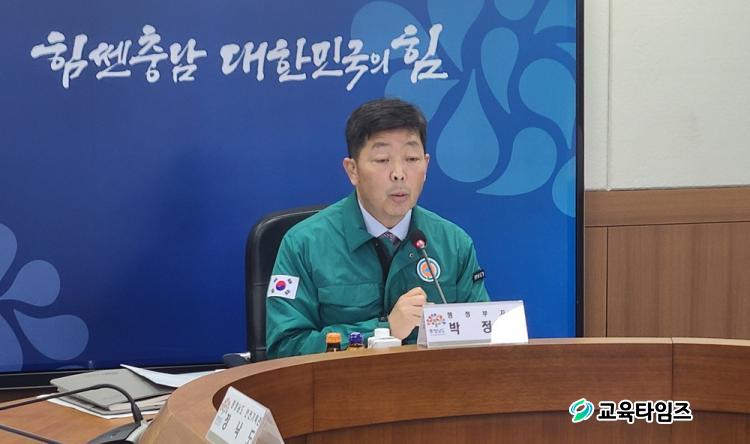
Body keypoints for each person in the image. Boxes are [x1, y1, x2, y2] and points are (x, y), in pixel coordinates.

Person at [266, 98, 489, 358]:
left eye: (411, 158)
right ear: (352, 170)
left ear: (426, 165)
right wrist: (384, 330)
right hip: (340, 384)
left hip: (431, 383)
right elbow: (285, 348)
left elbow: (482, 340)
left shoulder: (454, 244)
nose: (399, 173)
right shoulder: (303, 244)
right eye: (383, 160)